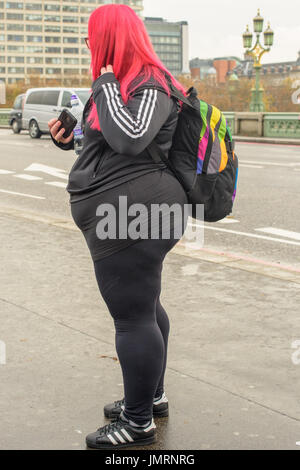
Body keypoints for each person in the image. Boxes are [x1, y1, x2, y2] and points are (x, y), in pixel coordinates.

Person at [48, 3, 188, 450]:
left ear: (111, 38)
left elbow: (131, 137)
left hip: (134, 215)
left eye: (93, 37)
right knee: (145, 307)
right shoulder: (125, 84)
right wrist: (71, 141)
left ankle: (138, 422)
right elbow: (109, 145)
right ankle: (151, 396)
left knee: (131, 317)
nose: (89, 45)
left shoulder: (147, 81)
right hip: (126, 211)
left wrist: (105, 81)